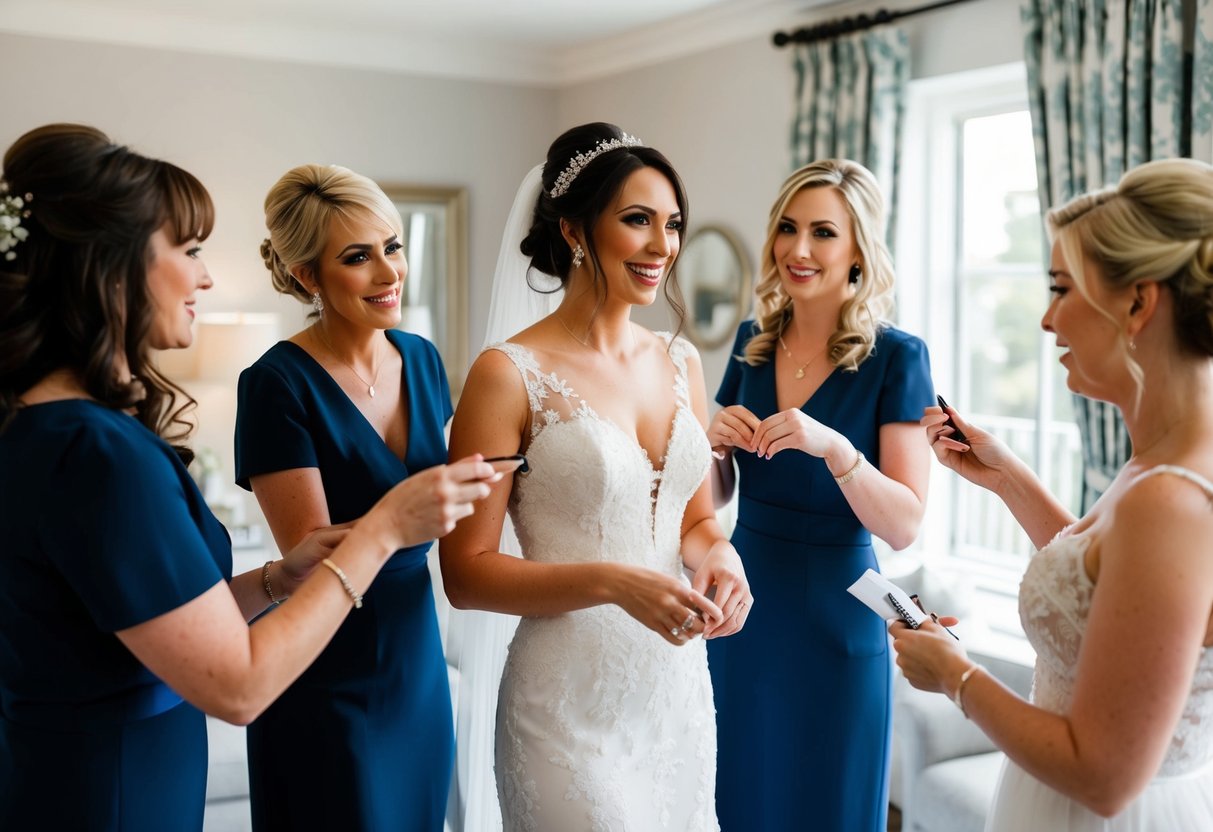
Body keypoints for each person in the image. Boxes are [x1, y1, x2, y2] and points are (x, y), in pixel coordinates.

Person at [0, 124, 497, 832]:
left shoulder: (45, 428)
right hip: (111, 791)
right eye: (191, 250)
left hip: (100, 775)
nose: (205, 276)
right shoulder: (91, 450)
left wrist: (274, 580)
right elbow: (237, 686)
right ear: (112, 263)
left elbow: (143, 616)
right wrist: (384, 527)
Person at [439, 121, 753, 831]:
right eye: (636, 220)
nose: (661, 246)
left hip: (674, 696)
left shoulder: (681, 363)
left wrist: (722, 558)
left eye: (671, 224)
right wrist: (612, 581)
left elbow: (696, 521)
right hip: (561, 709)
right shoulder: (505, 375)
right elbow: (465, 574)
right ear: (575, 230)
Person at [893, 157, 1213, 831]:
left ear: (1136, 303)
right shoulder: (1158, 464)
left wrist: (956, 675)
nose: (1045, 320)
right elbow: (1112, 592)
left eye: (1061, 288)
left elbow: (1102, 776)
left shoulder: (1173, 497)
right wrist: (1006, 477)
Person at [234, 164, 485, 832]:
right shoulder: (275, 385)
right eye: (357, 257)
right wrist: (400, 516)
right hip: (325, 670)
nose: (388, 272)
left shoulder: (423, 359)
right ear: (306, 276)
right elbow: (311, 564)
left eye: (392, 247)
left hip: (416, 665)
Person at [705, 159, 934, 832]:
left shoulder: (898, 357)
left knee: (828, 804)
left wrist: (837, 449)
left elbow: (903, 525)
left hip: (841, 615)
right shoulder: (751, 343)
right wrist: (712, 445)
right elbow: (716, 493)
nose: (798, 251)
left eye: (823, 233)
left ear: (858, 247)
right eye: (787, 229)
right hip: (744, 609)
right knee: (737, 797)